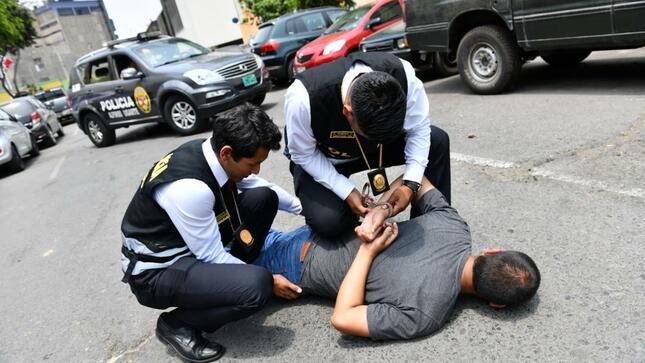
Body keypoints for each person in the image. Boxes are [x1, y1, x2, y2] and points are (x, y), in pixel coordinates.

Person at [120, 103, 302, 362]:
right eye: (253, 163)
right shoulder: (191, 189)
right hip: (157, 273)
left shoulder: (210, 151)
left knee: (264, 197)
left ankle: (238, 277)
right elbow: (212, 256)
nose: (257, 169)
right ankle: (178, 324)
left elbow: (258, 183)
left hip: (189, 248)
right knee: (257, 287)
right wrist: (270, 281)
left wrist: (303, 209)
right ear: (227, 153)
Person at [253, 176, 541, 340]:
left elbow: (415, 178)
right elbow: (342, 318)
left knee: (230, 239)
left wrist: (384, 208)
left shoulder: (454, 226)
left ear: (492, 251)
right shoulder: (427, 314)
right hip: (299, 263)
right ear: (496, 303)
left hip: (304, 244)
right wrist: (369, 248)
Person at [284, 51, 451, 238]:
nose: (372, 141)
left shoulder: (404, 75)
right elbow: (302, 154)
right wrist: (347, 192)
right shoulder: (303, 97)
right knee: (329, 221)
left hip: (379, 151)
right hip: (324, 156)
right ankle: (358, 241)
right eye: (370, 135)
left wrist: (411, 184)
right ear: (348, 113)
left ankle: (432, 224)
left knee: (437, 141)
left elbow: (419, 129)